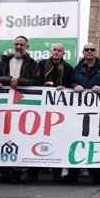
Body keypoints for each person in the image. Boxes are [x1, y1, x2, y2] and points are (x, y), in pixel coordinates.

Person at [0, 35, 41, 183]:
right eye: (16, 44)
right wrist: (9, 80)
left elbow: (36, 80)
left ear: (27, 47)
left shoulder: (32, 63)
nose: (18, 47)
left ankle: (17, 174)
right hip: (4, 106)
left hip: (23, 105)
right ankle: (4, 173)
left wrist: (18, 81)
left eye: (21, 45)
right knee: (3, 136)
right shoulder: (4, 61)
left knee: (20, 137)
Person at [70, 42, 100, 184]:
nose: (89, 52)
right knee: (75, 140)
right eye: (87, 50)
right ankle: (73, 174)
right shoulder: (77, 68)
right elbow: (69, 82)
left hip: (97, 112)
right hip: (79, 112)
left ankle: (97, 175)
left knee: (95, 142)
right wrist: (75, 86)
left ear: (96, 52)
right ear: (83, 52)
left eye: (92, 50)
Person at [39, 42, 75, 182]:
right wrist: (41, 86)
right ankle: (36, 170)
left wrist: (64, 87)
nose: (57, 52)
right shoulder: (42, 64)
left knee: (59, 138)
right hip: (42, 108)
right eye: (55, 50)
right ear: (51, 51)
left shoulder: (68, 68)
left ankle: (56, 172)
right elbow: (35, 80)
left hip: (61, 110)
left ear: (63, 53)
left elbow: (72, 83)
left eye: (60, 50)